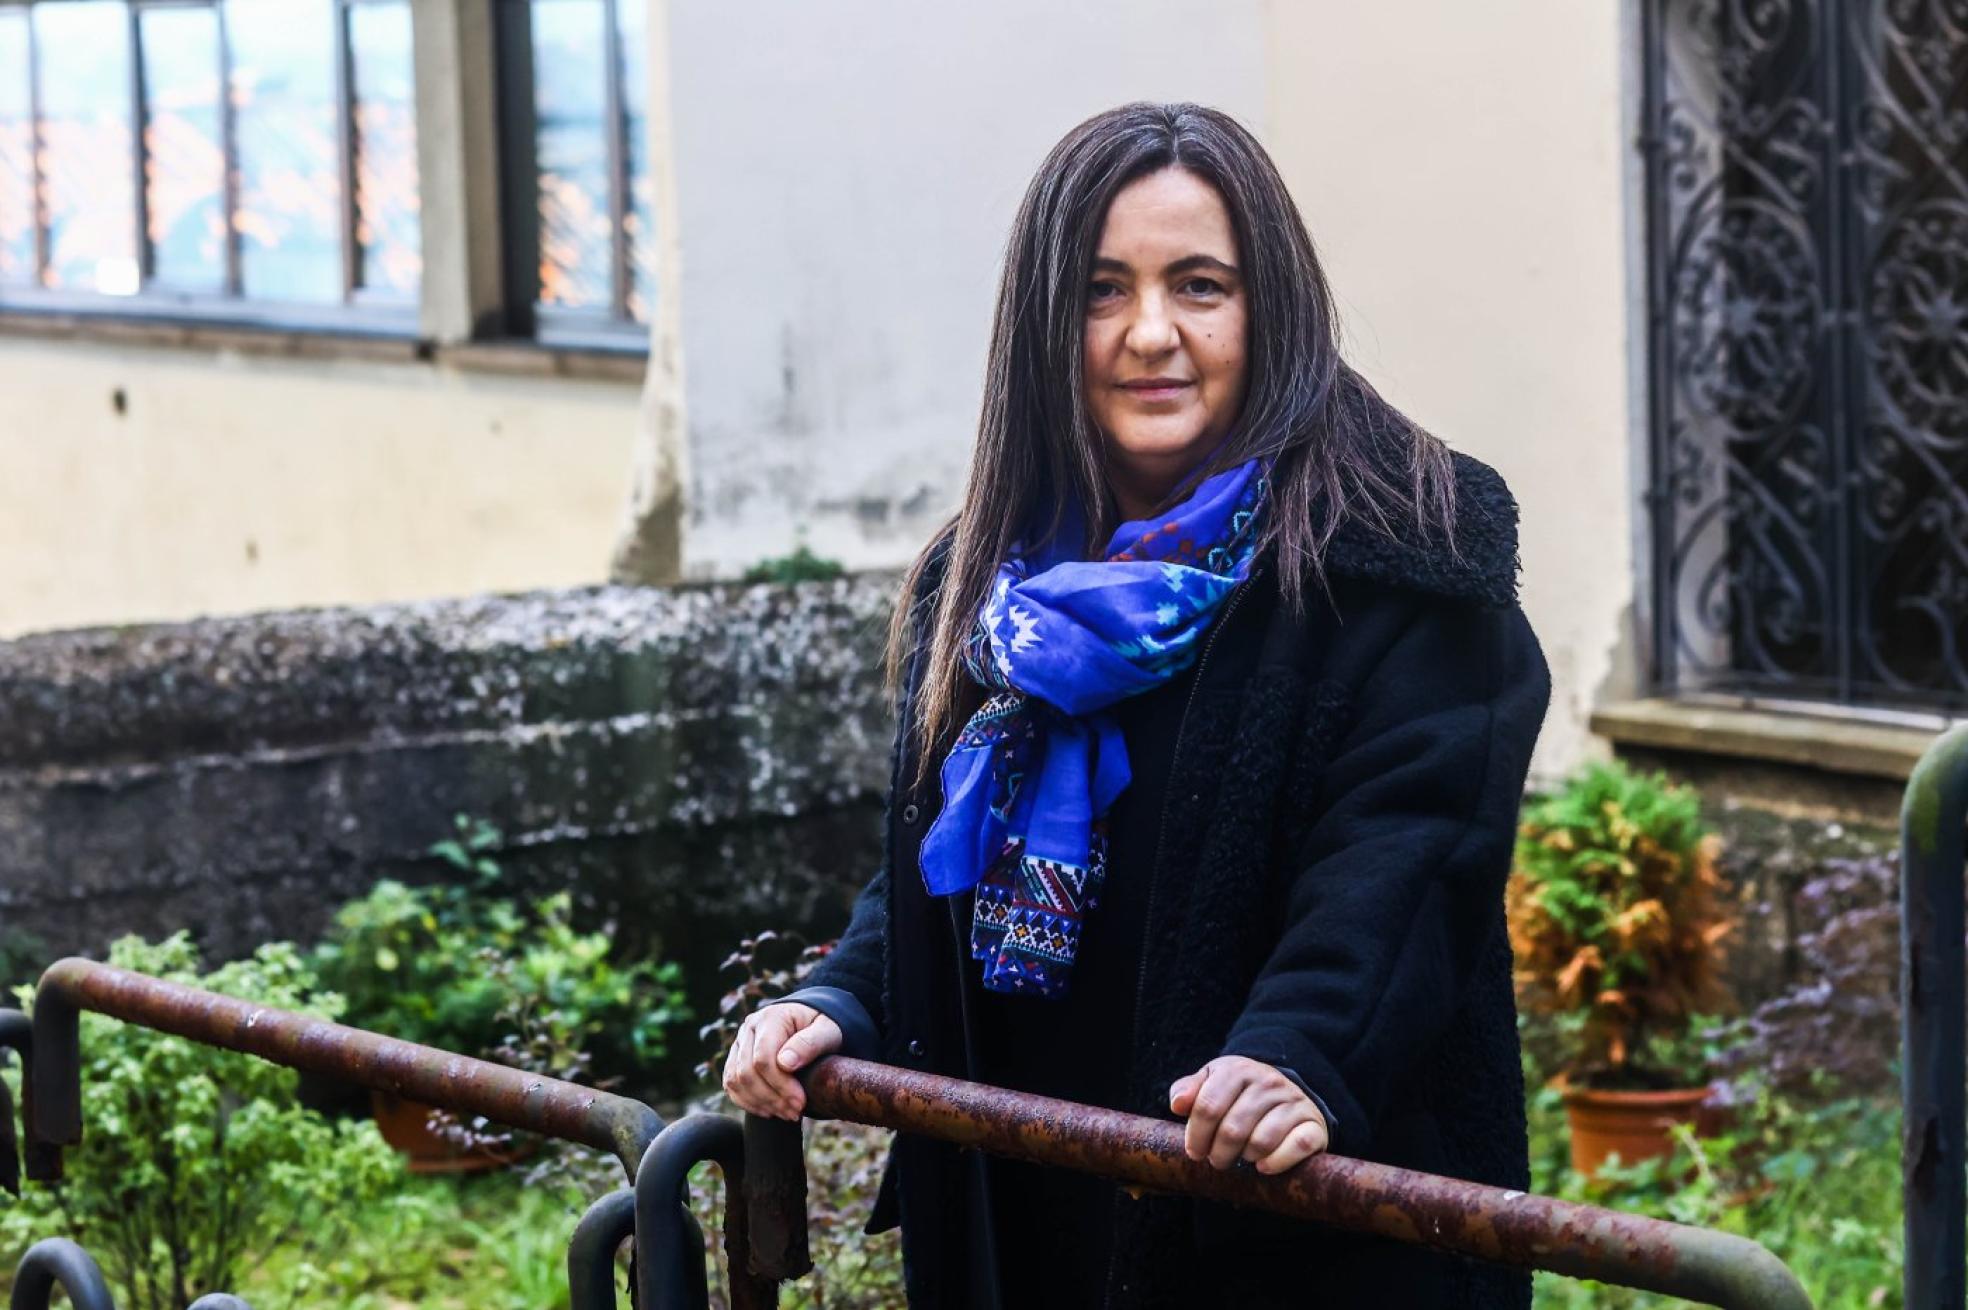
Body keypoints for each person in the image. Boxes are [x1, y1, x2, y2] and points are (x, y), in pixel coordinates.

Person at [722, 102, 1549, 1309]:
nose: (1150, 333)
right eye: (1102, 290)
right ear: (1044, 323)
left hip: (1286, 1228)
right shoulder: (988, 577)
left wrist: (1298, 1054)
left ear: (1269, 306)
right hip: (1032, 1216)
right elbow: (939, 851)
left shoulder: (1400, 551)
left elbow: (1411, 860)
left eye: (1200, 285)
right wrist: (843, 996)